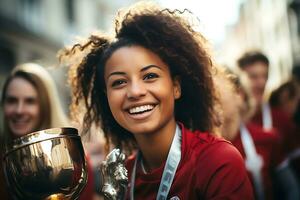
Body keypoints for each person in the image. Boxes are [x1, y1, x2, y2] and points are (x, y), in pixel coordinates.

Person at [59, 2, 254, 199]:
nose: (135, 91)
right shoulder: (121, 178)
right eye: (119, 82)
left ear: (176, 87)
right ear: (106, 96)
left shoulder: (217, 161)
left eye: (150, 76)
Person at [0, 63, 93, 200]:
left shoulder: (73, 159)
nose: (19, 110)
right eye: (12, 101)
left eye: (30, 101)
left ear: (46, 106)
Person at [215, 68, 300, 200]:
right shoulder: (198, 147)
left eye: (216, 92)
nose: (211, 100)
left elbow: (291, 189)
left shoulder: (266, 138)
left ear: (239, 95)